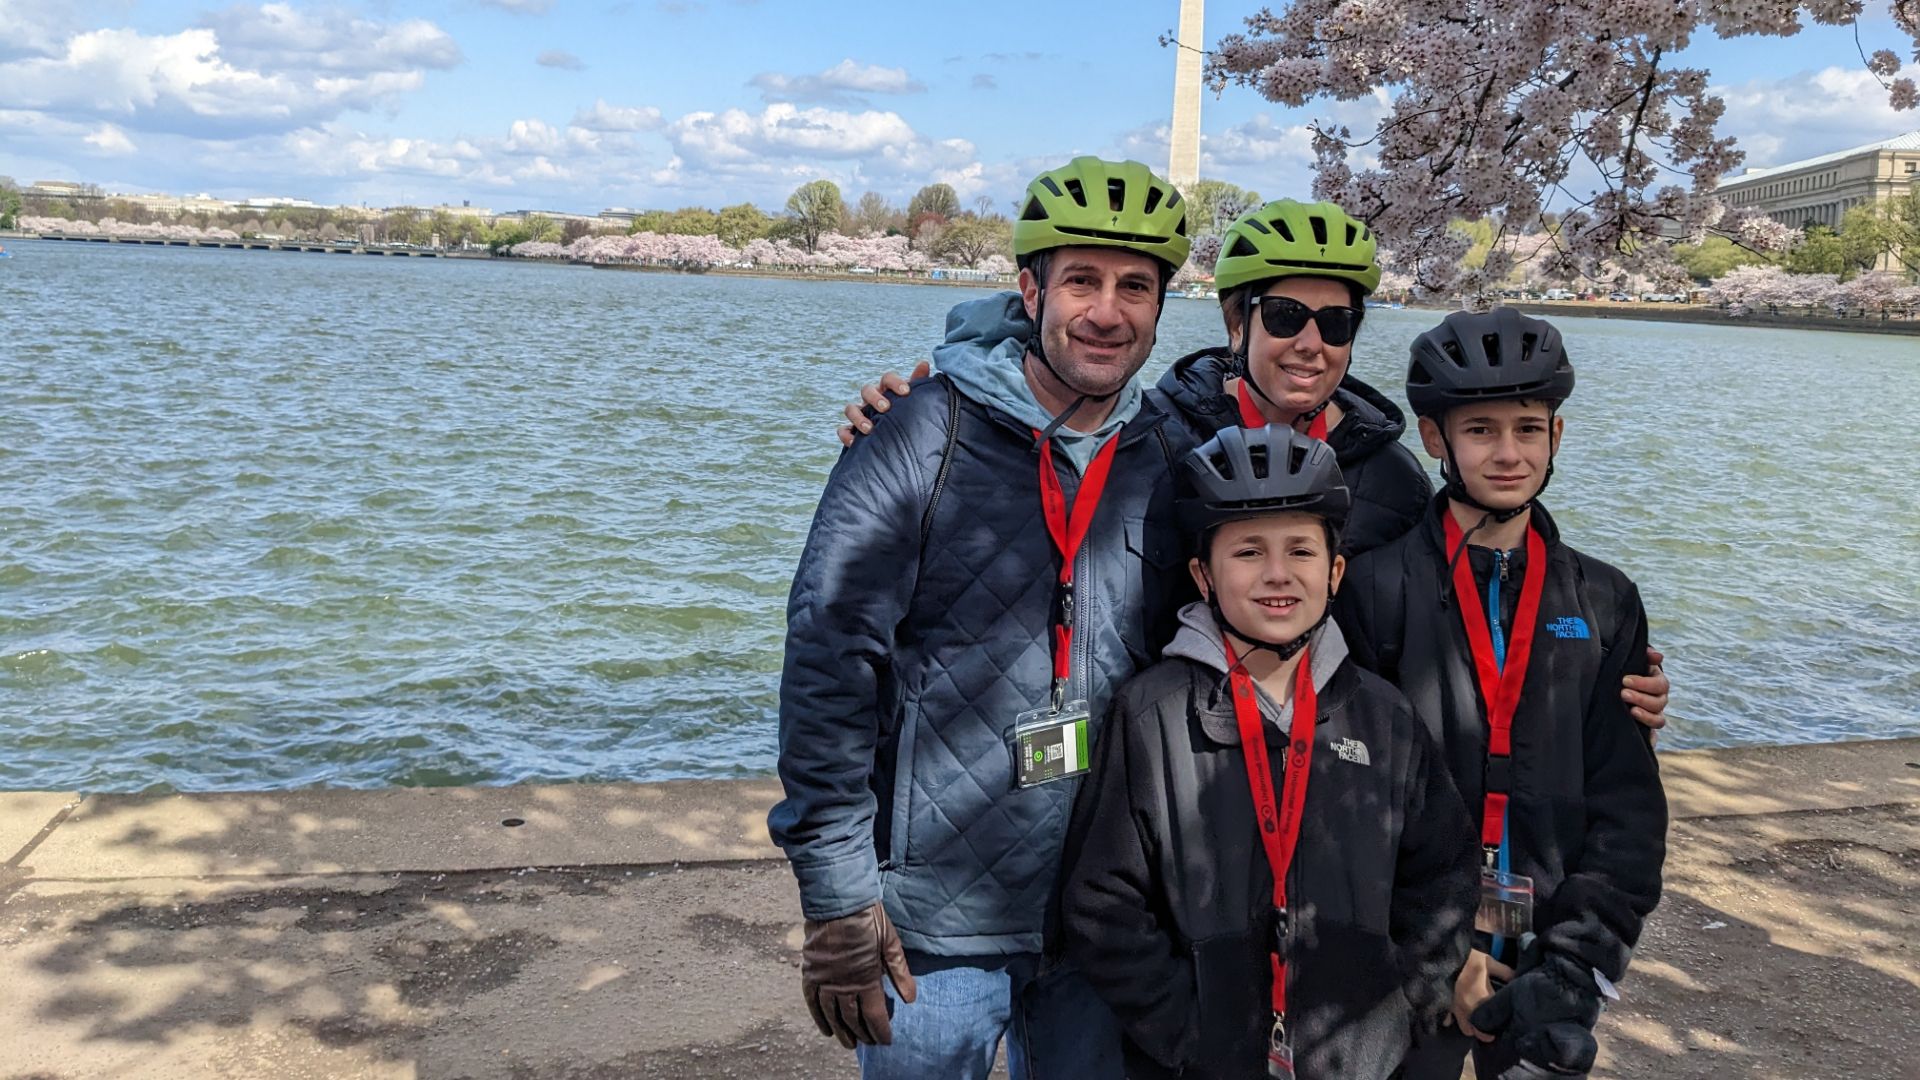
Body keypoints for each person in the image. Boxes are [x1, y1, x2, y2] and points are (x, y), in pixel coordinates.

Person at [835, 205, 1675, 732]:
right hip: (1166, 751)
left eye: (1336, 324)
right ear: (1236, 321)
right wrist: (936, 398)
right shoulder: (1154, 434)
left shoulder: (1391, 476)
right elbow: (1040, 466)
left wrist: (1598, 669)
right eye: (1284, 315)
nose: (1310, 343)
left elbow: (1465, 584)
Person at [769, 156, 1195, 1080]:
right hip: (936, 922)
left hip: (1107, 915)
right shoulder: (922, 431)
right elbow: (829, 658)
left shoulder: (1171, 453)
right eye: (1081, 281)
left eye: (1136, 287)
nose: (1108, 312)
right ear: (1028, 287)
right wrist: (838, 895)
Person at [1058, 424, 1479, 1079]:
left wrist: (1399, 1010)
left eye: (1301, 551)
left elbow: (1442, 875)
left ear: (1336, 571)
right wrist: (1191, 1035)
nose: (1278, 574)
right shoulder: (1151, 715)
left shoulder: (1385, 715)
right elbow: (1103, 906)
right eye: (1248, 552)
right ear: (1203, 574)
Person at [1337, 308, 1668, 1080]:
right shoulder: (1376, 589)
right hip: (1410, 959)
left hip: (1550, 952)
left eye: (1528, 427)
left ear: (1558, 436)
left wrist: (1576, 966)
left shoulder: (1605, 599)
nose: (1509, 452)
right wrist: (1435, 962)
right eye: (1480, 430)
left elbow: (1627, 804)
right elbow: (1350, 804)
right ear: (1433, 439)